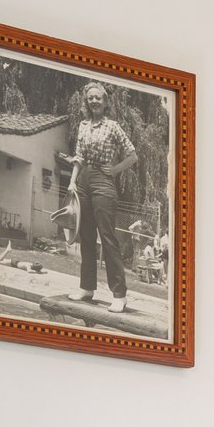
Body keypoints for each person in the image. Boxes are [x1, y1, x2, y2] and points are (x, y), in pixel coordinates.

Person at [59, 82, 139, 312]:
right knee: (85, 235)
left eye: (98, 98)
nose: (94, 101)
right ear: (87, 102)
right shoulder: (83, 126)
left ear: (105, 103)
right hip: (83, 180)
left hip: (104, 182)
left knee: (107, 237)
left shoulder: (113, 126)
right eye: (90, 98)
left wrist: (114, 170)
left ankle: (119, 295)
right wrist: (72, 181)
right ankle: (86, 288)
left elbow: (132, 155)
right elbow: (79, 157)